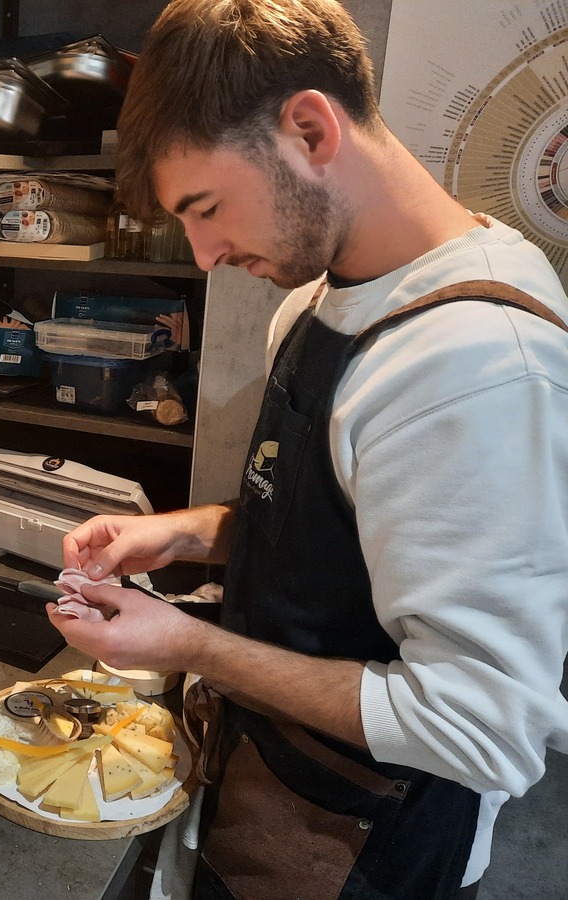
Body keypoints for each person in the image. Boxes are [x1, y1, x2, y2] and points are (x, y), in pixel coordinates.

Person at [48, 1, 568, 897]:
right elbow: (335, 518)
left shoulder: (479, 371)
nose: (205, 254)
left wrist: (190, 646)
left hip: (373, 843)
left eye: (206, 208)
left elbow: (485, 726)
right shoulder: (318, 303)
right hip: (269, 788)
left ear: (309, 127)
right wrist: (181, 534)